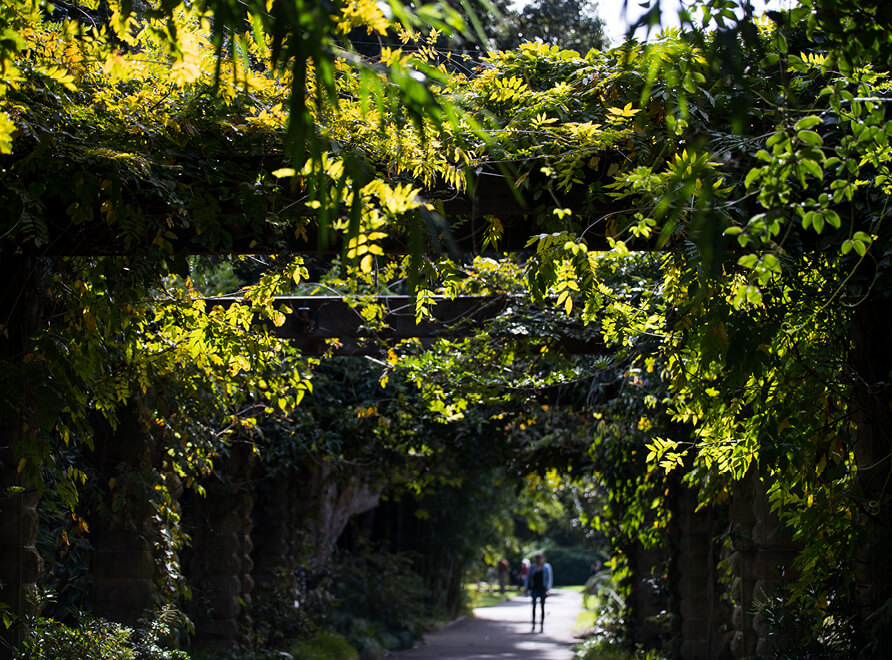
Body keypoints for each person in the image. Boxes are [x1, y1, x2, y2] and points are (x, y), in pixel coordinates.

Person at [523, 552, 553, 633]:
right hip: (534, 588)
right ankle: (533, 624)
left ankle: (542, 625)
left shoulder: (546, 567)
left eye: (540, 558)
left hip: (542, 589)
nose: (539, 560)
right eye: (538, 559)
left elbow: (549, 578)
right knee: (534, 607)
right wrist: (526, 587)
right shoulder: (533, 567)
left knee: (542, 607)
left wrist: (548, 588)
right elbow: (528, 577)